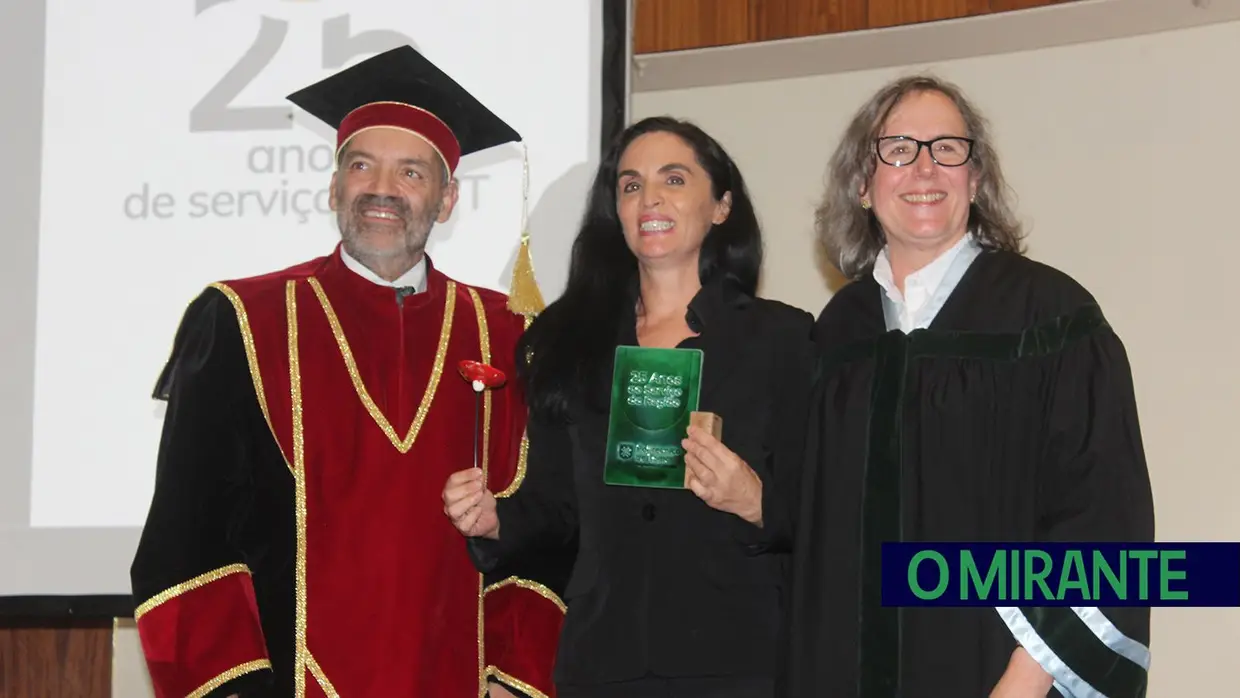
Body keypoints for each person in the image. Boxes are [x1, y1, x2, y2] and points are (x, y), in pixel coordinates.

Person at [129, 46, 563, 698]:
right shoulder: (242, 320)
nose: (382, 189)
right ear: (334, 187)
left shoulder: (509, 332)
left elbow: (553, 525)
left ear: (447, 200)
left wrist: (511, 678)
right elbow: (187, 536)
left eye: (412, 172)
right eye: (362, 166)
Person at [781, 75, 1156, 698]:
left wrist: (1028, 677)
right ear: (863, 186)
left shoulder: (1050, 317)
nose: (924, 167)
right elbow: (817, 546)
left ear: (975, 180)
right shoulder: (838, 335)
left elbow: (1103, 516)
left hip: (1000, 678)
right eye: (898, 149)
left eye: (948, 148)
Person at [442, 116, 818, 697]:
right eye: (631, 185)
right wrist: (497, 519)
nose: (650, 199)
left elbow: (824, 508)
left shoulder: (784, 339)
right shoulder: (566, 342)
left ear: (721, 205)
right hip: (604, 658)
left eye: (674, 179)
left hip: (736, 656)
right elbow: (557, 507)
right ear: (614, 211)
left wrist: (756, 501)